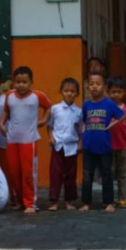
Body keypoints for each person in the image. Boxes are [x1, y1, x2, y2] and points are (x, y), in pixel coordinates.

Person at [0, 66, 52, 214]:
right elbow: (6, 111)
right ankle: (20, 200)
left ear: (31, 82)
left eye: (24, 82)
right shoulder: (9, 95)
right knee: (14, 172)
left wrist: (44, 121)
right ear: (13, 82)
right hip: (12, 139)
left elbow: (49, 107)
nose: (21, 85)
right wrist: (1, 124)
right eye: (18, 82)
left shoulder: (37, 96)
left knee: (28, 173)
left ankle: (30, 203)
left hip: (29, 140)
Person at [80, 72, 125, 213]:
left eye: (98, 84)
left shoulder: (109, 104)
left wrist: (112, 125)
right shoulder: (86, 104)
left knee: (107, 174)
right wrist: (83, 134)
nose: (94, 87)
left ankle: (109, 202)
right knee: (87, 175)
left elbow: (122, 116)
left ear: (104, 87)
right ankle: (86, 202)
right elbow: (83, 120)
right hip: (88, 145)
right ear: (88, 87)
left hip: (104, 145)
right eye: (91, 84)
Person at [46, 77, 82, 211]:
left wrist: (80, 143)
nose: (69, 93)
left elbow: (80, 130)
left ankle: (69, 201)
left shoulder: (78, 112)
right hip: (57, 145)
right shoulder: (55, 109)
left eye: (72, 91)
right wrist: (50, 137)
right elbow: (49, 126)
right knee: (55, 174)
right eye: (66, 91)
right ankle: (54, 201)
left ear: (77, 93)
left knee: (70, 175)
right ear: (61, 91)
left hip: (71, 147)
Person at [108, 76, 126, 208]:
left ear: (124, 93)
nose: (116, 95)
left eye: (119, 92)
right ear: (108, 92)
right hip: (108, 145)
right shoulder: (106, 108)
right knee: (109, 172)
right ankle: (109, 199)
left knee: (123, 173)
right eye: (113, 92)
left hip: (123, 145)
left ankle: (122, 198)